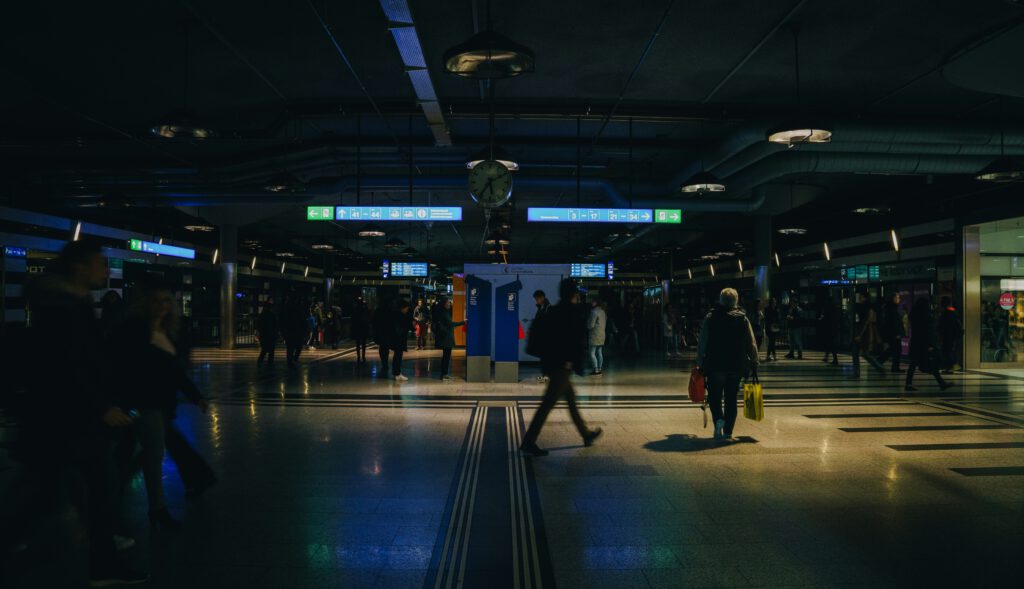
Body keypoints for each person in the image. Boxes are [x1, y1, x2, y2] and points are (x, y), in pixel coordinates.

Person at [19, 241, 146, 585]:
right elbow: (70, 366)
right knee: (99, 486)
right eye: (99, 264)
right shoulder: (67, 308)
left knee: (48, 489)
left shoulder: (65, 303)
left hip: (60, 418)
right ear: (79, 266)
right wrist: (102, 406)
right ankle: (103, 561)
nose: (105, 270)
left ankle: (91, 552)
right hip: (75, 419)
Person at [113, 276, 215, 530]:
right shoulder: (134, 330)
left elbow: (176, 372)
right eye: (155, 301)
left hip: (160, 403)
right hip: (143, 403)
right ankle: (156, 509)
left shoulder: (169, 333)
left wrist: (196, 396)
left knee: (144, 453)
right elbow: (125, 368)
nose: (161, 306)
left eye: (165, 302)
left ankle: (119, 496)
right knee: (152, 453)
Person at [520, 279, 603, 456]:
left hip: (556, 365)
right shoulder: (572, 312)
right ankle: (528, 442)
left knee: (571, 401)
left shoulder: (555, 311)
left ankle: (585, 434)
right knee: (547, 405)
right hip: (562, 366)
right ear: (574, 293)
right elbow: (575, 341)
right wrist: (573, 362)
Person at [697, 288, 760, 441]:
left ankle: (718, 419)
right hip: (736, 365)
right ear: (736, 301)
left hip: (715, 364)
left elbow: (702, 342)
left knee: (715, 397)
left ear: (720, 300)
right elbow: (751, 342)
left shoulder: (710, 317)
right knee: (731, 398)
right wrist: (754, 360)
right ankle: (728, 432)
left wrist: (700, 362)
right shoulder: (743, 319)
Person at [905, 297, 953, 392]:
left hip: (916, 343)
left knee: (914, 364)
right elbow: (927, 331)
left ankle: (909, 384)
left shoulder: (914, 315)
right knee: (931, 364)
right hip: (924, 345)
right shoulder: (925, 315)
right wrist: (930, 344)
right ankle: (941, 383)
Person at [433, 296, 465, 380]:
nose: (449, 303)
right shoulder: (444, 313)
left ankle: (444, 374)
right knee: (446, 357)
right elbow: (450, 323)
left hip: (445, 337)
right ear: (444, 304)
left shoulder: (444, 312)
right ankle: (444, 375)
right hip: (446, 338)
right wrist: (463, 322)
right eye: (448, 302)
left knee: (446, 356)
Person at [876, 293, 905, 373]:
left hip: (892, 333)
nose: (899, 299)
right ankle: (881, 361)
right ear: (893, 298)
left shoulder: (891, 307)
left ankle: (880, 361)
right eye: (897, 297)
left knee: (894, 349)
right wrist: (897, 333)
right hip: (894, 334)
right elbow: (893, 322)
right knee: (896, 349)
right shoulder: (891, 308)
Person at [389, 299, 413, 381]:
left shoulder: (396, 315)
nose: (407, 310)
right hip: (398, 339)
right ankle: (397, 373)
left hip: (398, 339)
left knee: (398, 356)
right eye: (406, 308)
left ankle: (397, 373)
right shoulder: (399, 316)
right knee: (398, 356)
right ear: (402, 308)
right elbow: (400, 328)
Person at [938, 296, 963, 374]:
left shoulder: (947, 312)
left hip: (948, 335)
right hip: (951, 335)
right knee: (948, 350)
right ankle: (949, 367)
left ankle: (952, 366)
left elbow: (944, 325)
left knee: (947, 351)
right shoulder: (952, 312)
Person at [531, 290, 552, 382]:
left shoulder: (548, 308)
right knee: (544, 358)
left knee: (546, 358)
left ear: (542, 298)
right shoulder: (542, 307)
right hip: (543, 336)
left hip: (546, 337)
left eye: (537, 299)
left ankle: (546, 377)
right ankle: (545, 376)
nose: (536, 301)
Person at [283, 294, 308, 367]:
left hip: (291, 331)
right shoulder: (298, 310)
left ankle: (290, 361)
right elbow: (303, 321)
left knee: (290, 347)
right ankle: (293, 360)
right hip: (296, 331)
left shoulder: (287, 309)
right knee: (297, 346)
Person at [587, 299, 607, 376]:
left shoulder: (593, 312)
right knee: (599, 352)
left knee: (591, 353)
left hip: (594, 335)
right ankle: (600, 368)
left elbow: (590, 325)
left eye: (593, 302)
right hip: (602, 334)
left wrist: (587, 325)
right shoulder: (603, 312)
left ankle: (595, 369)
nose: (592, 303)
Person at [818, 296, 840, 365]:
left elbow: (823, 317)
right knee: (830, 343)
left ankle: (834, 359)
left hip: (828, 328)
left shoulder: (826, 308)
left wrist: (821, 318)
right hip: (833, 328)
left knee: (830, 344)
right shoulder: (834, 308)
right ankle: (827, 357)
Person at [373, 300, 393, 374]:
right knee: (386, 347)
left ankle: (384, 362)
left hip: (380, 331)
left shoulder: (378, 311)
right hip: (386, 331)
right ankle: (385, 362)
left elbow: (374, 321)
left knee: (382, 347)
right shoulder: (389, 311)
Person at [351, 298, 371, 364]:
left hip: (358, 328)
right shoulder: (365, 309)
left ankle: (359, 356)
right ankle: (363, 356)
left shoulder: (355, 310)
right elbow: (368, 318)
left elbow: (353, 319)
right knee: (363, 343)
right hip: (363, 328)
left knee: (358, 343)